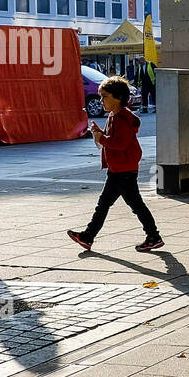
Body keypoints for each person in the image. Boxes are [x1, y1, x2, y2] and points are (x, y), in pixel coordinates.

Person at [67, 76, 163, 253]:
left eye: (104, 96)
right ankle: (89, 236)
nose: (101, 100)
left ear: (117, 98)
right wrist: (100, 132)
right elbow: (115, 139)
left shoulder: (122, 118)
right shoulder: (114, 115)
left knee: (126, 205)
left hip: (122, 169)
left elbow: (119, 143)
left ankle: (153, 236)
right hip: (119, 168)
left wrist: (100, 137)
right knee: (117, 204)